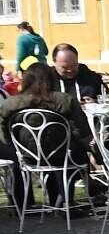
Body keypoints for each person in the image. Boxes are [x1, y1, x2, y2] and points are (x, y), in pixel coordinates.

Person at [0, 62, 92, 211]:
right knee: (75, 151)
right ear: (51, 79)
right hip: (63, 156)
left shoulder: (10, 103)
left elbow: (3, 133)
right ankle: (66, 201)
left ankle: (28, 206)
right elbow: (83, 130)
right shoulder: (65, 100)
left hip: (28, 156)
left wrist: (15, 145)